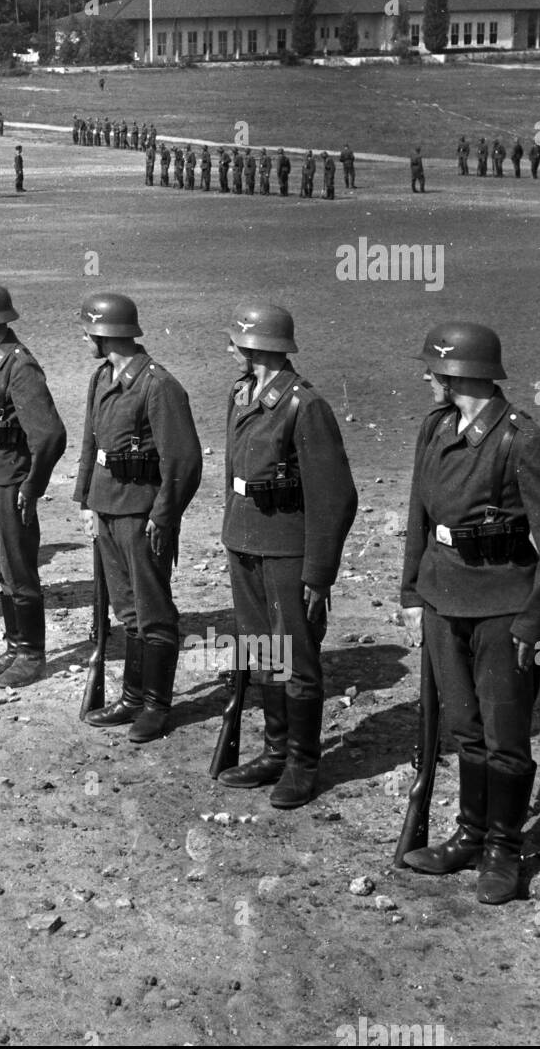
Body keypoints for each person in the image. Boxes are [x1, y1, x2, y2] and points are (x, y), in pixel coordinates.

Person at [400, 323, 540, 903]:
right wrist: (413, 594)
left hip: (506, 612)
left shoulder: (523, 441)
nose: (427, 376)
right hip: (443, 602)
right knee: (464, 728)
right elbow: (419, 516)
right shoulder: (436, 429)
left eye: (433, 368)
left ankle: (504, 851)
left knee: (506, 735)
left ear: (458, 372)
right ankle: (469, 834)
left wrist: (535, 624)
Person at [217, 303, 357, 807]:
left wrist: (318, 575)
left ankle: (302, 763)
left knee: (296, 659)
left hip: (287, 551)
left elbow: (336, 496)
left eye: (235, 340)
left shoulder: (304, 405)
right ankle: (275, 751)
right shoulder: (240, 395)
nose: (229, 347)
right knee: (261, 651)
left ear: (257, 346)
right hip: (246, 543)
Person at [75, 291, 202, 742]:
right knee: (126, 609)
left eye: (89, 331)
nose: (85, 338)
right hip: (108, 507)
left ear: (105, 332)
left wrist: (163, 517)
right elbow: (92, 446)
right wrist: (87, 503)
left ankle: (156, 705)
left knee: (154, 612)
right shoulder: (102, 377)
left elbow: (183, 463)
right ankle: (131, 697)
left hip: (142, 515)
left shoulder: (157, 385)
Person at [0, 284, 66, 686]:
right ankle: (15, 647)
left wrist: (32, 486)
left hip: (8, 480)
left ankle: (32, 655)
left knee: (18, 568)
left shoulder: (19, 365)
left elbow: (51, 435)